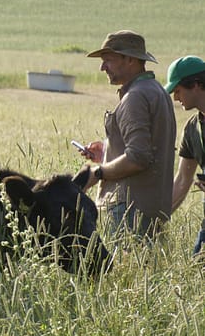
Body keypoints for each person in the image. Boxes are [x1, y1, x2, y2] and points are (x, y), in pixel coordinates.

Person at [78, 30, 176, 239]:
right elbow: (148, 147)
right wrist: (107, 151)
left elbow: (138, 157)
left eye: (108, 60)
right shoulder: (156, 91)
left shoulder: (135, 96)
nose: (102, 67)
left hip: (129, 209)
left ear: (130, 59)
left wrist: (98, 172)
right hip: (149, 206)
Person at [165, 55, 205, 254]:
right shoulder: (191, 129)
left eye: (178, 90)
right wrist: (157, 220)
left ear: (196, 85)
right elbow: (182, 179)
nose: (175, 97)